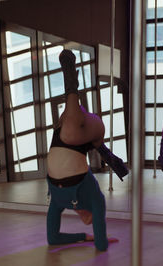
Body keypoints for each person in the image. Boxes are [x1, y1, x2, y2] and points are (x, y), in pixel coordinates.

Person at [46, 49, 128, 251]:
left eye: (86, 221)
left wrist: (85, 236)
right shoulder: (88, 200)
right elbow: (101, 245)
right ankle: (108, 155)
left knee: (72, 125)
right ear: (87, 209)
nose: (87, 219)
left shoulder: (60, 202)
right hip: (69, 151)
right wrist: (97, 239)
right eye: (89, 219)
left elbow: (53, 239)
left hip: (65, 136)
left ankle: (72, 85)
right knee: (87, 135)